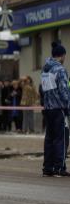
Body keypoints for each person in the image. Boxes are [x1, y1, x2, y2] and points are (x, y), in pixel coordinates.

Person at [41, 41, 70, 177]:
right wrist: (67, 106)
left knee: (49, 138)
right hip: (59, 108)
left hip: (47, 108)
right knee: (61, 138)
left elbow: (42, 89)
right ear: (62, 55)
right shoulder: (60, 69)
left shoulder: (45, 69)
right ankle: (59, 168)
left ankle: (48, 167)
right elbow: (64, 90)